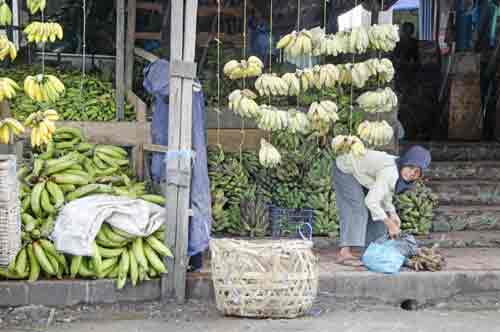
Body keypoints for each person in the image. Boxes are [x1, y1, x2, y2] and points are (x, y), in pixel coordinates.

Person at [333, 145, 431, 266]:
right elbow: (371, 201)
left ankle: (370, 250)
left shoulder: (398, 174)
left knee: (381, 213)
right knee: (357, 209)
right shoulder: (391, 172)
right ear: (405, 162)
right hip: (346, 167)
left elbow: (385, 194)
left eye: (417, 172)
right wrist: (390, 224)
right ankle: (344, 253)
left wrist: (393, 213)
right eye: (410, 167)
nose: (411, 173)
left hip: (363, 175)